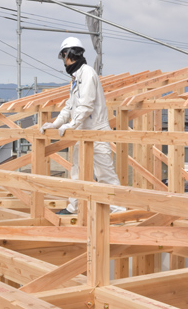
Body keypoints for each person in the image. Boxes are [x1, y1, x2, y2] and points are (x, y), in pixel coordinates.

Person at [39, 37, 125, 215]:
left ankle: (119, 212)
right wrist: (55, 123)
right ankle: (75, 207)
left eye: (64, 57)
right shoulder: (76, 77)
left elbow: (86, 105)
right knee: (77, 171)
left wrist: (71, 124)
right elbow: (70, 106)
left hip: (97, 132)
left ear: (68, 54)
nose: (64, 61)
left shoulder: (87, 74)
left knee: (105, 174)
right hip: (82, 132)